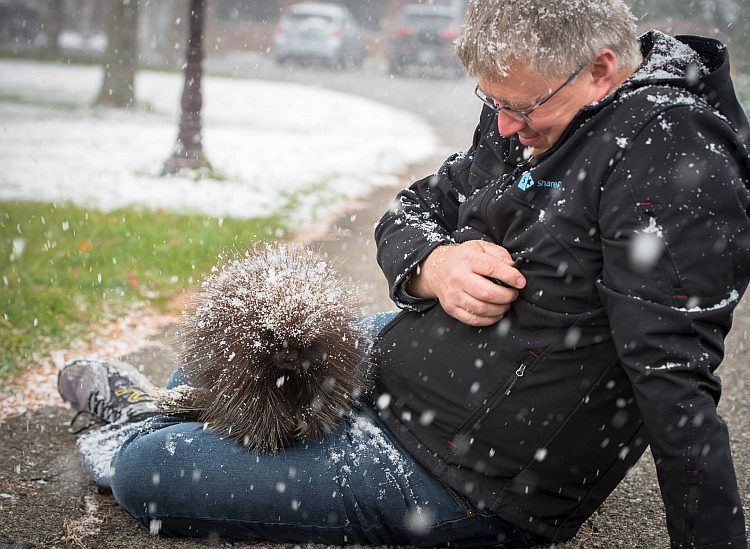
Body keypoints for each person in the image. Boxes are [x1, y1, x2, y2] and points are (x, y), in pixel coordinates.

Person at [58, 0, 749, 547]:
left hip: (462, 476)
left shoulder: (673, 158)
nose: (504, 128)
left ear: (601, 68)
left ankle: (141, 429)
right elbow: (412, 208)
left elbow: (676, 389)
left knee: (152, 476)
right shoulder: (534, 111)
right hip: (408, 369)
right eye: (492, 103)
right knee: (219, 365)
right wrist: (435, 266)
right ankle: (161, 412)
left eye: (521, 107)